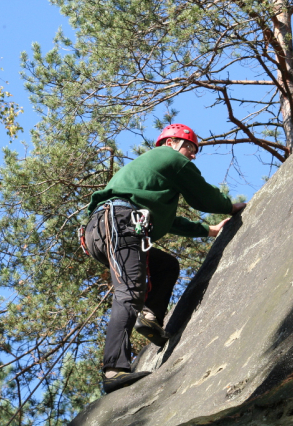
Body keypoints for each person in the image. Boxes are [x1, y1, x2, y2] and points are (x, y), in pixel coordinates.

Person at [84, 124, 246, 394]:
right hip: (119, 222)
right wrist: (229, 206)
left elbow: (169, 221)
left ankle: (149, 317)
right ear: (171, 142)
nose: (192, 155)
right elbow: (203, 196)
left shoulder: (151, 178)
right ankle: (114, 370)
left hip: (106, 229)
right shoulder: (170, 157)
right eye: (190, 147)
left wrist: (209, 230)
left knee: (166, 266)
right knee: (129, 293)